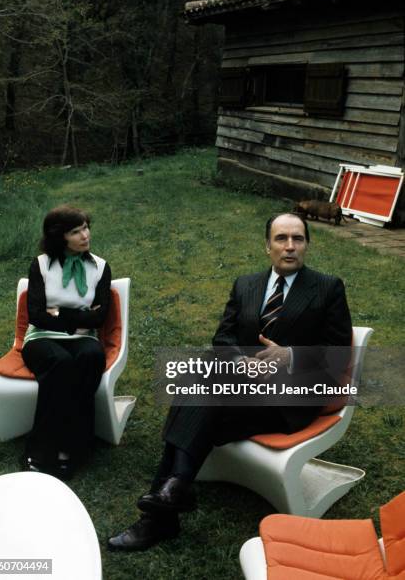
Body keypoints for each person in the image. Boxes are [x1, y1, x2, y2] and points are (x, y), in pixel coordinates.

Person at [108, 212, 352, 551]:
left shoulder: (327, 288)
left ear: (307, 244)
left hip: (290, 397)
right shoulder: (246, 285)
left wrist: (291, 356)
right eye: (282, 238)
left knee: (196, 395)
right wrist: (240, 362)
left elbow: (339, 355)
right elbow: (223, 339)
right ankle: (170, 497)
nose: (290, 246)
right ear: (267, 245)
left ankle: (165, 504)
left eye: (298, 239)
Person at [22, 205, 111, 479]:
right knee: (60, 363)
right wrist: (80, 316)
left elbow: (100, 318)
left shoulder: (100, 267)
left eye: (85, 227)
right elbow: (36, 316)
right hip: (41, 338)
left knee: (90, 357)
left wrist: (60, 312)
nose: (85, 235)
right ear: (60, 236)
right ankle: (43, 450)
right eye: (76, 231)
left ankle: (73, 448)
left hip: (84, 339)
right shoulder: (41, 265)